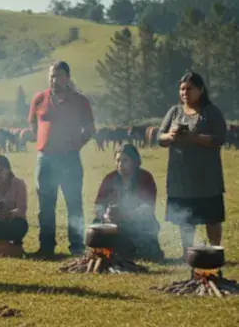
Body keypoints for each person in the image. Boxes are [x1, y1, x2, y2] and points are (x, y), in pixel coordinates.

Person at [28, 60, 95, 258]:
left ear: (67, 77)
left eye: (58, 76)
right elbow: (32, 123)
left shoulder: (80, 101)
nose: (54, 80)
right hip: (46, 159)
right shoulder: (40, 99)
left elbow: (89, 128)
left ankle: (77, 247)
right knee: (46, 205)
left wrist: (76, 145)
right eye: (51, 76)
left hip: (69, 159)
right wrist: (42, 140)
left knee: (73, 203)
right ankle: (46, 246)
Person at [157, 72, 226, 257]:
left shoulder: (211, 112)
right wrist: (171, 136)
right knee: (185, 219)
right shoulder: (174, 112)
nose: (184, 93)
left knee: (212, 217)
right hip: (180, 178)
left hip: (206, 178)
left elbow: (219, 138)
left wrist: (193, 137)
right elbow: (159, 137)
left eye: (189, 89)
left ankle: (214, 253)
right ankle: (188, 254)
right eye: (182, 89)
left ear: (200, 90)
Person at [92, 144, 164, 262]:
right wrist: (105, 216)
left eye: (125, 160)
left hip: (137, 222)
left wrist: (127, 215)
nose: (120, 164)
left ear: (135, 162)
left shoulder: (145, 178)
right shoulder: (110, 178)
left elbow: (147, 207)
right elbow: (98, 205)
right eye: (118, 160)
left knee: (147, 230)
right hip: (112, 223)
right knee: (96, 224)